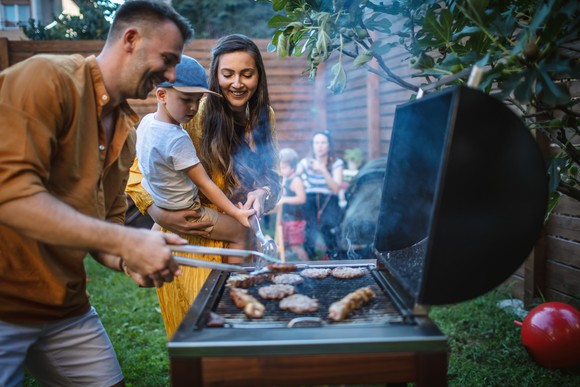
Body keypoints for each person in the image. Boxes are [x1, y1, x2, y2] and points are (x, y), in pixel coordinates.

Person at [0, 1, 193, 385]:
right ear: (131, 39)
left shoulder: (127, 133)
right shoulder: (46, 78)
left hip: (64, 306)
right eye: (168, 59)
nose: (170, 75)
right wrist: (125, 241)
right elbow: (11, 195)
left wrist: (127, 259)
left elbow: (105, 224)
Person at [126, 34, 281, 338]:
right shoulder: (193, 109)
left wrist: (263, 193)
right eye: (228, 74)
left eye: (247, 74)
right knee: (199, 338)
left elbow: (273, 177)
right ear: (215, 76)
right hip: (194, 242)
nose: (237, 83)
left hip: (244, 241)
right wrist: (159, 212)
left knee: (241, 333)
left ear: (258, 77)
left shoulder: (266, 117)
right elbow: (138, 174)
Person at [136, 55, 255, 255]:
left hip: (160, 200)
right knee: (241, 232)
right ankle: (234, 283)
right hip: (188, 211)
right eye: (186, 99)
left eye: (198, 100)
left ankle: (145, 252)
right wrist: (236, 212)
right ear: (162, 95)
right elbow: (204, 184)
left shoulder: (146, 122)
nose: (193, 107)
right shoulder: (177, 139)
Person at [296, 131, 344, 259]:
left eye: (323, 142)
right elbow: (293, 175)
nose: (320, 146)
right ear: (312, 145)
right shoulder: (306, 162)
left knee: (328, 226)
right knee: (310, 226)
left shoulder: (336, 163)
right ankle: (309, 256)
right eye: (316, 142)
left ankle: (334, 255)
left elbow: (335, 189)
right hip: (310, 197)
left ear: (329, 145)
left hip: (329, 198)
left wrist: (323, 170)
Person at [277, 148, 309, 261]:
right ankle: (285, 266)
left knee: (295, 246)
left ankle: (308, 265)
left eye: (284, 168)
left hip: (296, 220)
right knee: (284, 245)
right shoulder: (286, 179)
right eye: (280, 167)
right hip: (287, 218)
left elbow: (302, 198)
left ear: (293, 167)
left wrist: (285, 199)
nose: (281, 170)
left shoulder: (296, 181)